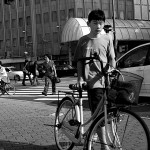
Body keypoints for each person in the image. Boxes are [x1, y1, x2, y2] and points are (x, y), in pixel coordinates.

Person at [74, 9, 116, 150]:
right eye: (95, 23)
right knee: (98, 115)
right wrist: (80, 79)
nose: (98, 26)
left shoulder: (108, 38)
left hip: (108, 81)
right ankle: (104, 145)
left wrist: (111, 69)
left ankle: (95, 135)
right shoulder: (83, 41)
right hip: (93, 82)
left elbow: (112, 59)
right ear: (88, 23)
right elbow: (79, 61)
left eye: (101, 23)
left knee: (109, 113)